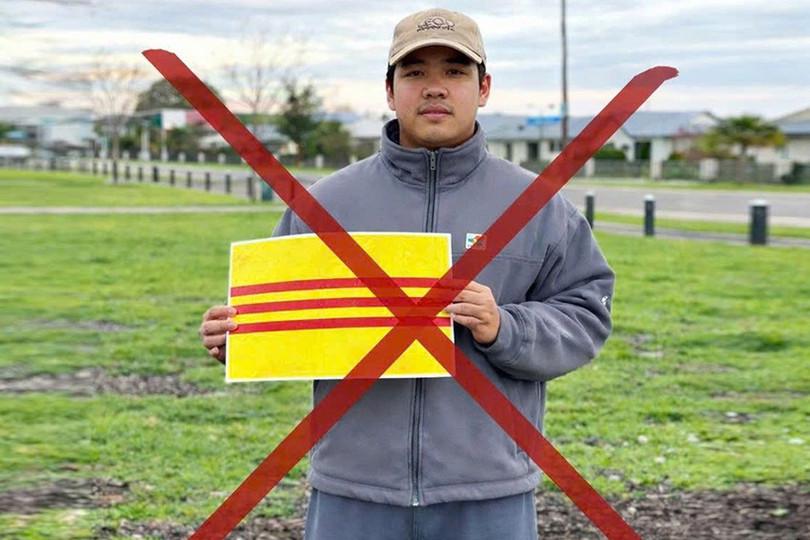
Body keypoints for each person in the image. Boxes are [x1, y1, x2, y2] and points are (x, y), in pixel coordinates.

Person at [199, 7, 615, 539]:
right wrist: (239, 338)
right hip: (354, 491)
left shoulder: (539, 207)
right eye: (415, 72)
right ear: (390, 91)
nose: (434, 87)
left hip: (487, 492)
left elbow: (585, 313)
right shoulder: (324, 205)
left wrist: (503, 326)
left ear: (483, 88)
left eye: (455, 72)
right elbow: (283, 318)